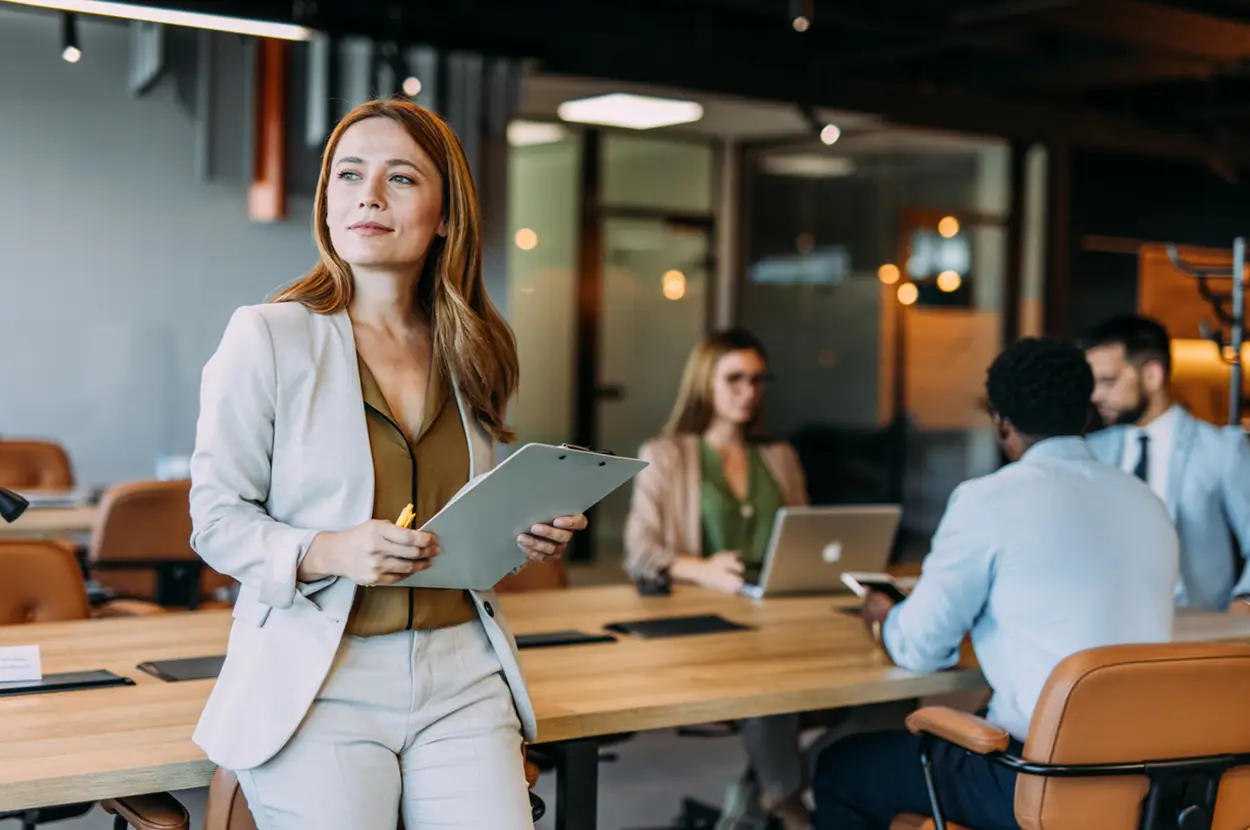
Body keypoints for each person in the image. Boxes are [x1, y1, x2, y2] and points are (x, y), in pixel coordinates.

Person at [187, 98, 587, 830]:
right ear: (328, 203)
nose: (368, 194)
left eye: (400, 177)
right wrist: (328, 549)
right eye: (348, 174)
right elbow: (215, 521)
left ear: (444, 215)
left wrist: (521, 536)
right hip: (321, 677)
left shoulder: (475, 345)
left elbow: (462, 532)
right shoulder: (267, 337)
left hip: (462, 671)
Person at [811, 337, 1178, 830]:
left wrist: (887, 617)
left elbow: (921, 649)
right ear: (1085, 416)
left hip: (1035, 780)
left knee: (841, 769)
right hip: (1144, 786)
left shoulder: (988, 501)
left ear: (1002, 422)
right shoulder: (1147, 503)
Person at [623, 328, 812, 830]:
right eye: (734, 379)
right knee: (773, 685)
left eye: (756, 380)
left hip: (779, 613)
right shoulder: (667, 454)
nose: (748, 391)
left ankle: (776, 787)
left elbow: (805, 537)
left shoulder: (780, 457)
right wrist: (701, 570)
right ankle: (785, 798)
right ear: (705, 383)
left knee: (889, 687)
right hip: (707, 623)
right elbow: (639, 552)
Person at [1081, 313, 1250, 613]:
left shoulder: (1222, 449)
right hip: (1108, 625)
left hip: (1197, 634)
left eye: (1108, 381)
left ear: (1152, 375)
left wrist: (1245, 603)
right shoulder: (1091, 452)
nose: (1096, 395)